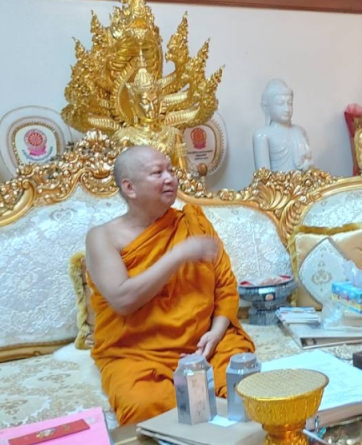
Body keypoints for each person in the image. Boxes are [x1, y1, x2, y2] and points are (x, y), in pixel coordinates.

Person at [86, 145, 254, 425]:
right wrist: (179, 256)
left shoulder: (192, 222)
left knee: (245, 384)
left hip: (207, 343)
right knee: (145, 406)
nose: (170, 178)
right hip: (139, 354)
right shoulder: (102, 237)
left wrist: (216, 332)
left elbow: (225, 286)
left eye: (171, 170)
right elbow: (123, 299)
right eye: (157, 172)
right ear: (129, 187)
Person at [252, 79, 313, 173]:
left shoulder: (300, 132)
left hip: (302, 181)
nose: (287, 109)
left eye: (290, 103)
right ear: (265, 107)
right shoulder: (262, 136)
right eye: (280, 103)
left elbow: (308, 166)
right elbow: (263, 175)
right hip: (275, 182)